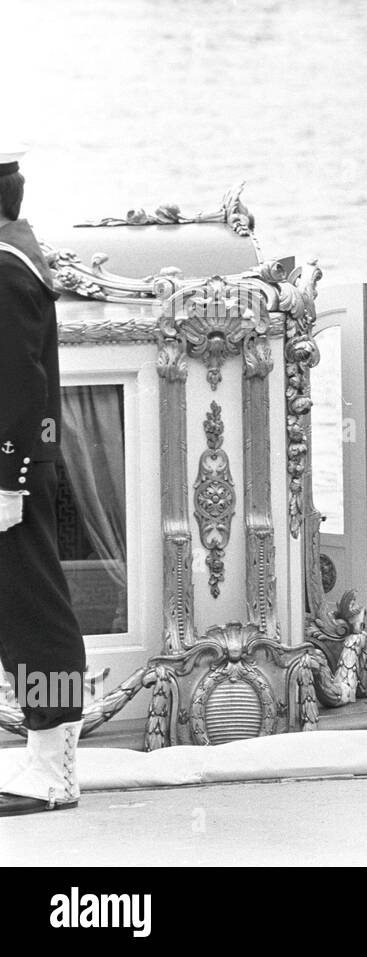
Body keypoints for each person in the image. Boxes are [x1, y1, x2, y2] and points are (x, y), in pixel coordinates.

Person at [0, 147, 87, 814]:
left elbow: (18, 387)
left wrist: (8, 479)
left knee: (34, 607)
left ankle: (54, 769)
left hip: (13, 466)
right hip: (17, 462)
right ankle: (38, 755)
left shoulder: (6, 268)